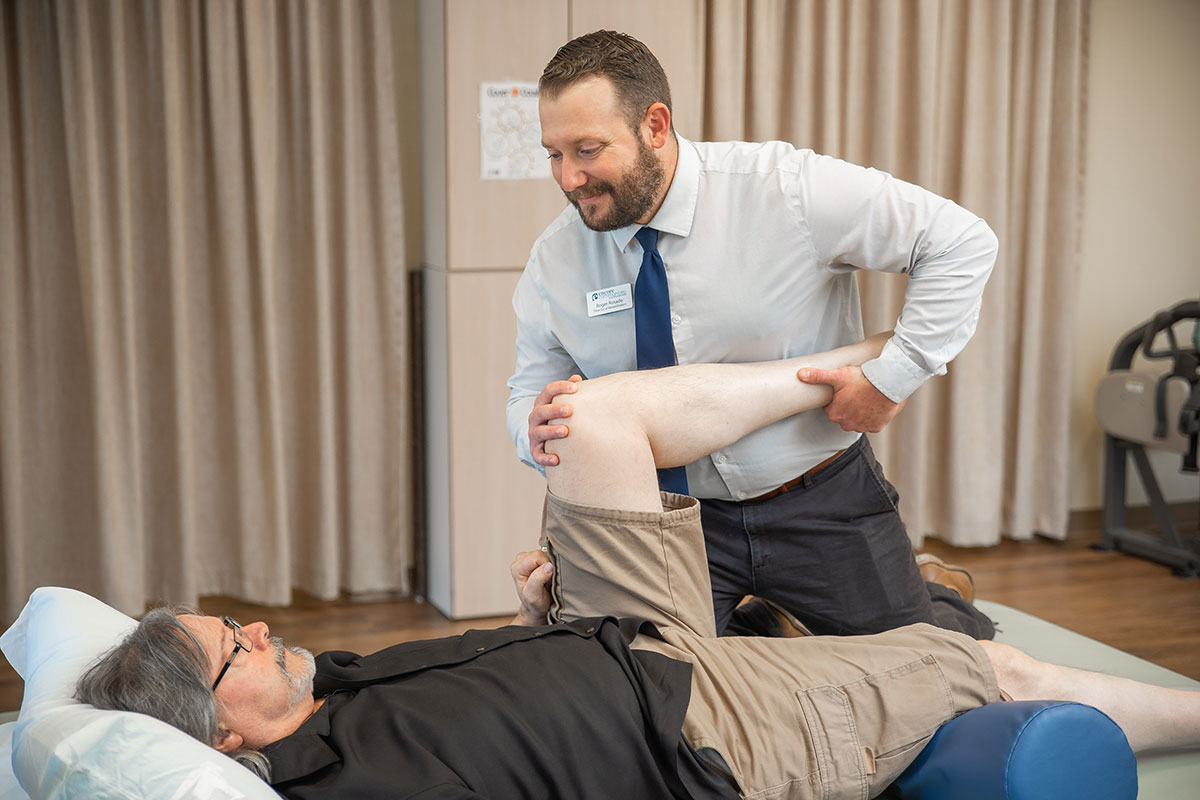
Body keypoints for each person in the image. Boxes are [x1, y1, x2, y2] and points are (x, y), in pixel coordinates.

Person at [78, 338, 1200, 799]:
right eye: (237, 647)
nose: (263, 630)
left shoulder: (329, 692)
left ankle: (849, 368)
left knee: (592, 418)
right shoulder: (341, 785)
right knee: (971, 666)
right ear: (222, 736)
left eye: (243, 622)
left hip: (613, 633)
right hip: (707, 726)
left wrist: (534, 618)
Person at [506, 30, 999, 639]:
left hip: (819, 495)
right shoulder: (555, 260)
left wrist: (891, 378)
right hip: (670, 521)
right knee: (652, 703)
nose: (570, 178)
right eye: (554, 154)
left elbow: (960, 242)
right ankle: (767, 620)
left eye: (587, 149)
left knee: (923, 669)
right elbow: (527, 387)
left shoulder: (784, 189)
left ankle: (936, 593)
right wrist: (533, 431)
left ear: (654, 126)